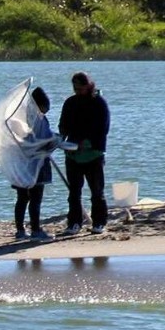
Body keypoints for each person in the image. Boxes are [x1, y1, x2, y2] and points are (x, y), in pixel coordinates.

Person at [58, 71, 111, 235]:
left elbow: (103, 128)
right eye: (75, 88)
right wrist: (61, 140)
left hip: (93, 154)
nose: (78, 91)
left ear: (88, 86)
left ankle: (99, 222)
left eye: (80, 88)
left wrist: (86, 143)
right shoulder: (70, 102)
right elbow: (63, 125)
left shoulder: (99, 103)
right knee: (74, 192)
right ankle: (74, 223)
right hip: (73, 154)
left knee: (97, 191)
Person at [12, 87, 57, 241]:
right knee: (35, 198)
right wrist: (55, 141)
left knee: (22, 198)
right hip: (36, 164)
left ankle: (20, 230)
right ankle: (36, 230)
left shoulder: (20, 117)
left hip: (21, 164)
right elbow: (44, 140)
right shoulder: (39, 120)